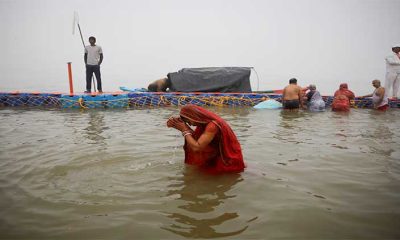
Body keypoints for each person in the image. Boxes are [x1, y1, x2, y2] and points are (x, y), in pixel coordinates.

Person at [166, 105, 245, 173]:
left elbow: (197, 147)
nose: (189, 123)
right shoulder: (204, 123)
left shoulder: (212, 125)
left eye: (188, 120)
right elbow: (198, 139)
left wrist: (184, 130)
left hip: (227, 159)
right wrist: (182, 126)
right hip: (216, 154)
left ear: (193, 116)